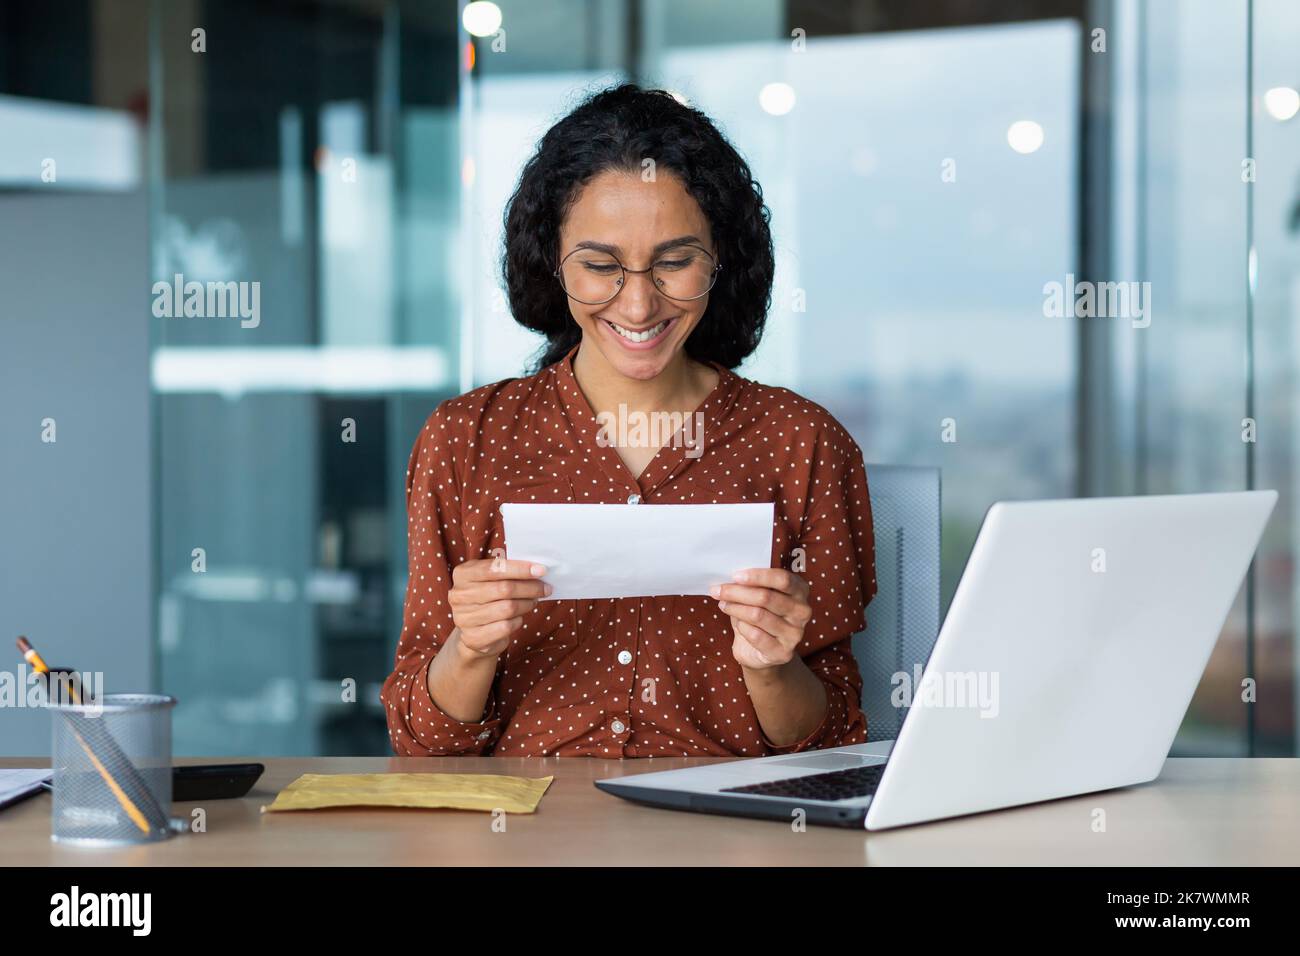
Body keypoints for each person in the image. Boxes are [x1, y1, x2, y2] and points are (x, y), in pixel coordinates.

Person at [381, 84, 876, 758]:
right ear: (551, 263)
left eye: (674, 262)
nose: (639, 304)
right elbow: (420, 741)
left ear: (720, 261)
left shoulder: (802, 444)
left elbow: (833, 741)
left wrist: (772, 667)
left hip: (728, 839)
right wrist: (469, 650)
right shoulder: (466, 439)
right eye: (599, 265)